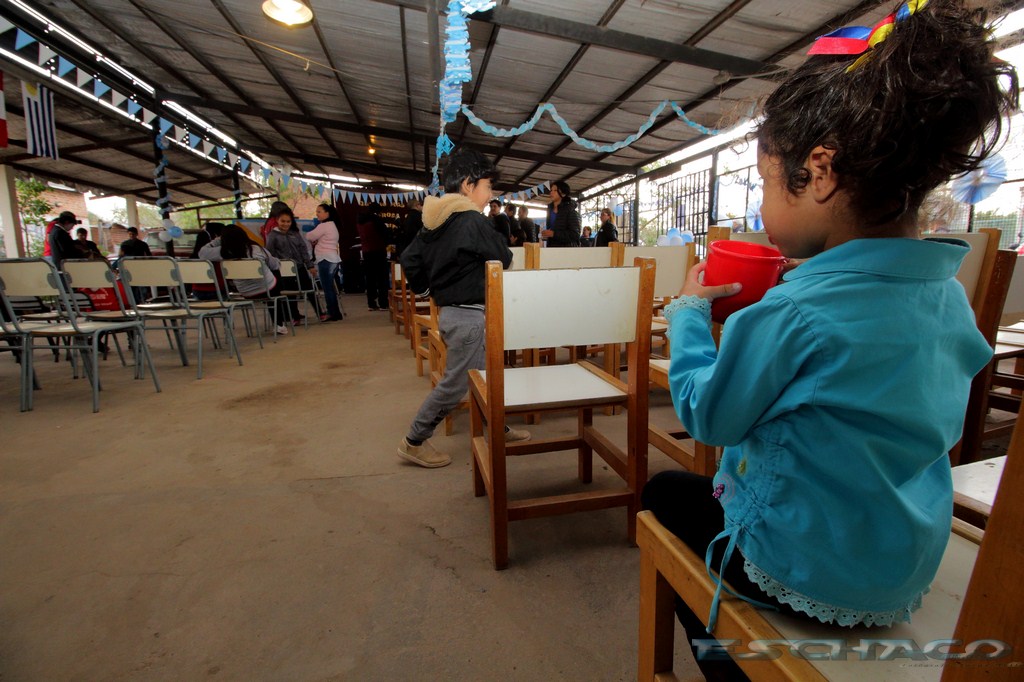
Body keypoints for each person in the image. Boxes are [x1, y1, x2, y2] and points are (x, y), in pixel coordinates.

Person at [641, 3, 1017, 680]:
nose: (762, 206)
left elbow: (709, 416)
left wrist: (691, 316)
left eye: (765, 182)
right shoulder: (947, 297)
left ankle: (734, 665)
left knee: (665, 490)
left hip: (803, 566)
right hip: (902, 563)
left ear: (819, 172)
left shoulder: (791, 313)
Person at [398, 147, 530, 468]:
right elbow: (504, 257)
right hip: (470, 316)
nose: (490, 195)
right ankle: (414, 440)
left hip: (453, 313)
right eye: (488, 186)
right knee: (457, 383)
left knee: (484, 376)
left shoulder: (434, 220)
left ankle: (495, 428)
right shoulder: (471, 219)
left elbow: (409, 258)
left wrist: (427, 290)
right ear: (469, 185)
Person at [200, 224, 289, 335]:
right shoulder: (255, 249)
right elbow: (274, 264)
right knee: (273, 272)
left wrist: (217, 240)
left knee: (269, 276)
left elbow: (202, 253)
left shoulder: (223, 252)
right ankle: (279, 324)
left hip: (245, 291)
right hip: (267, 289)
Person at [265, 207, 314, 324]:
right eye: (283, 221)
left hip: (300, 266)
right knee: (290, 293)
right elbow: (270, 254)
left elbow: (303, 249)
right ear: (277, 220)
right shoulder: (272, 236)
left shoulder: (295, 234)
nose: (285, 224)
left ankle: (320, 312)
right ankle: (294, 317)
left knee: (309, 290)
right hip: (284, 270)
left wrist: (310, 265)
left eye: (288, 221)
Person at [305, 203, 344, 321]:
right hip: (332, 258)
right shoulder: (333, 225)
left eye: (319, 211)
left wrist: (315, 239)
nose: (317, 214)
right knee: (330, 287)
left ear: (327, 213)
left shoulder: (324, 225)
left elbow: (309, 236)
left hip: (325, 259)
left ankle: (332, 312)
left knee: (327, 288)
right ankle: (335, 312)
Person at [356, 203, 391, 311]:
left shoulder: (360, 220)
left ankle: (371, 303)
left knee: (370, 278)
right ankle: (383, 303)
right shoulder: (376, 220)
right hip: (378, 251)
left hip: (366, 252)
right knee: (382, 278)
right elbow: (385, 235)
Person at [541, 181, 581, 246]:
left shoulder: (570, 210)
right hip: (552, 248)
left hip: (567, 249)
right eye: (551, 190)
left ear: (563, 194)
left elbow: (575, 234)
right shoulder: (550, 210)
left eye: (555, 190)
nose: (551, 192)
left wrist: (553, 234)